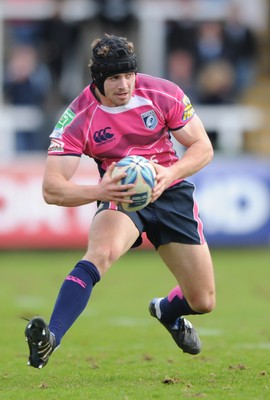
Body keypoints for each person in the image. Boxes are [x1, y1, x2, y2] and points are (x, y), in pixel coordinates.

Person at [24, 34, 216, 369]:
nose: (124, 85)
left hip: (169, 190)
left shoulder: (162, 92)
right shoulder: (78, 117)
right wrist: (100, 192)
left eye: (128, 75)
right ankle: (50, 339)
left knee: (203, 300)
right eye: (114, 78)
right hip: (121, 194)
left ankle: (165, 311)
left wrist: (168, 175)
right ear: (98, 80)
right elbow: (52, 189)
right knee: (100, 254)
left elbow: (203, 147)